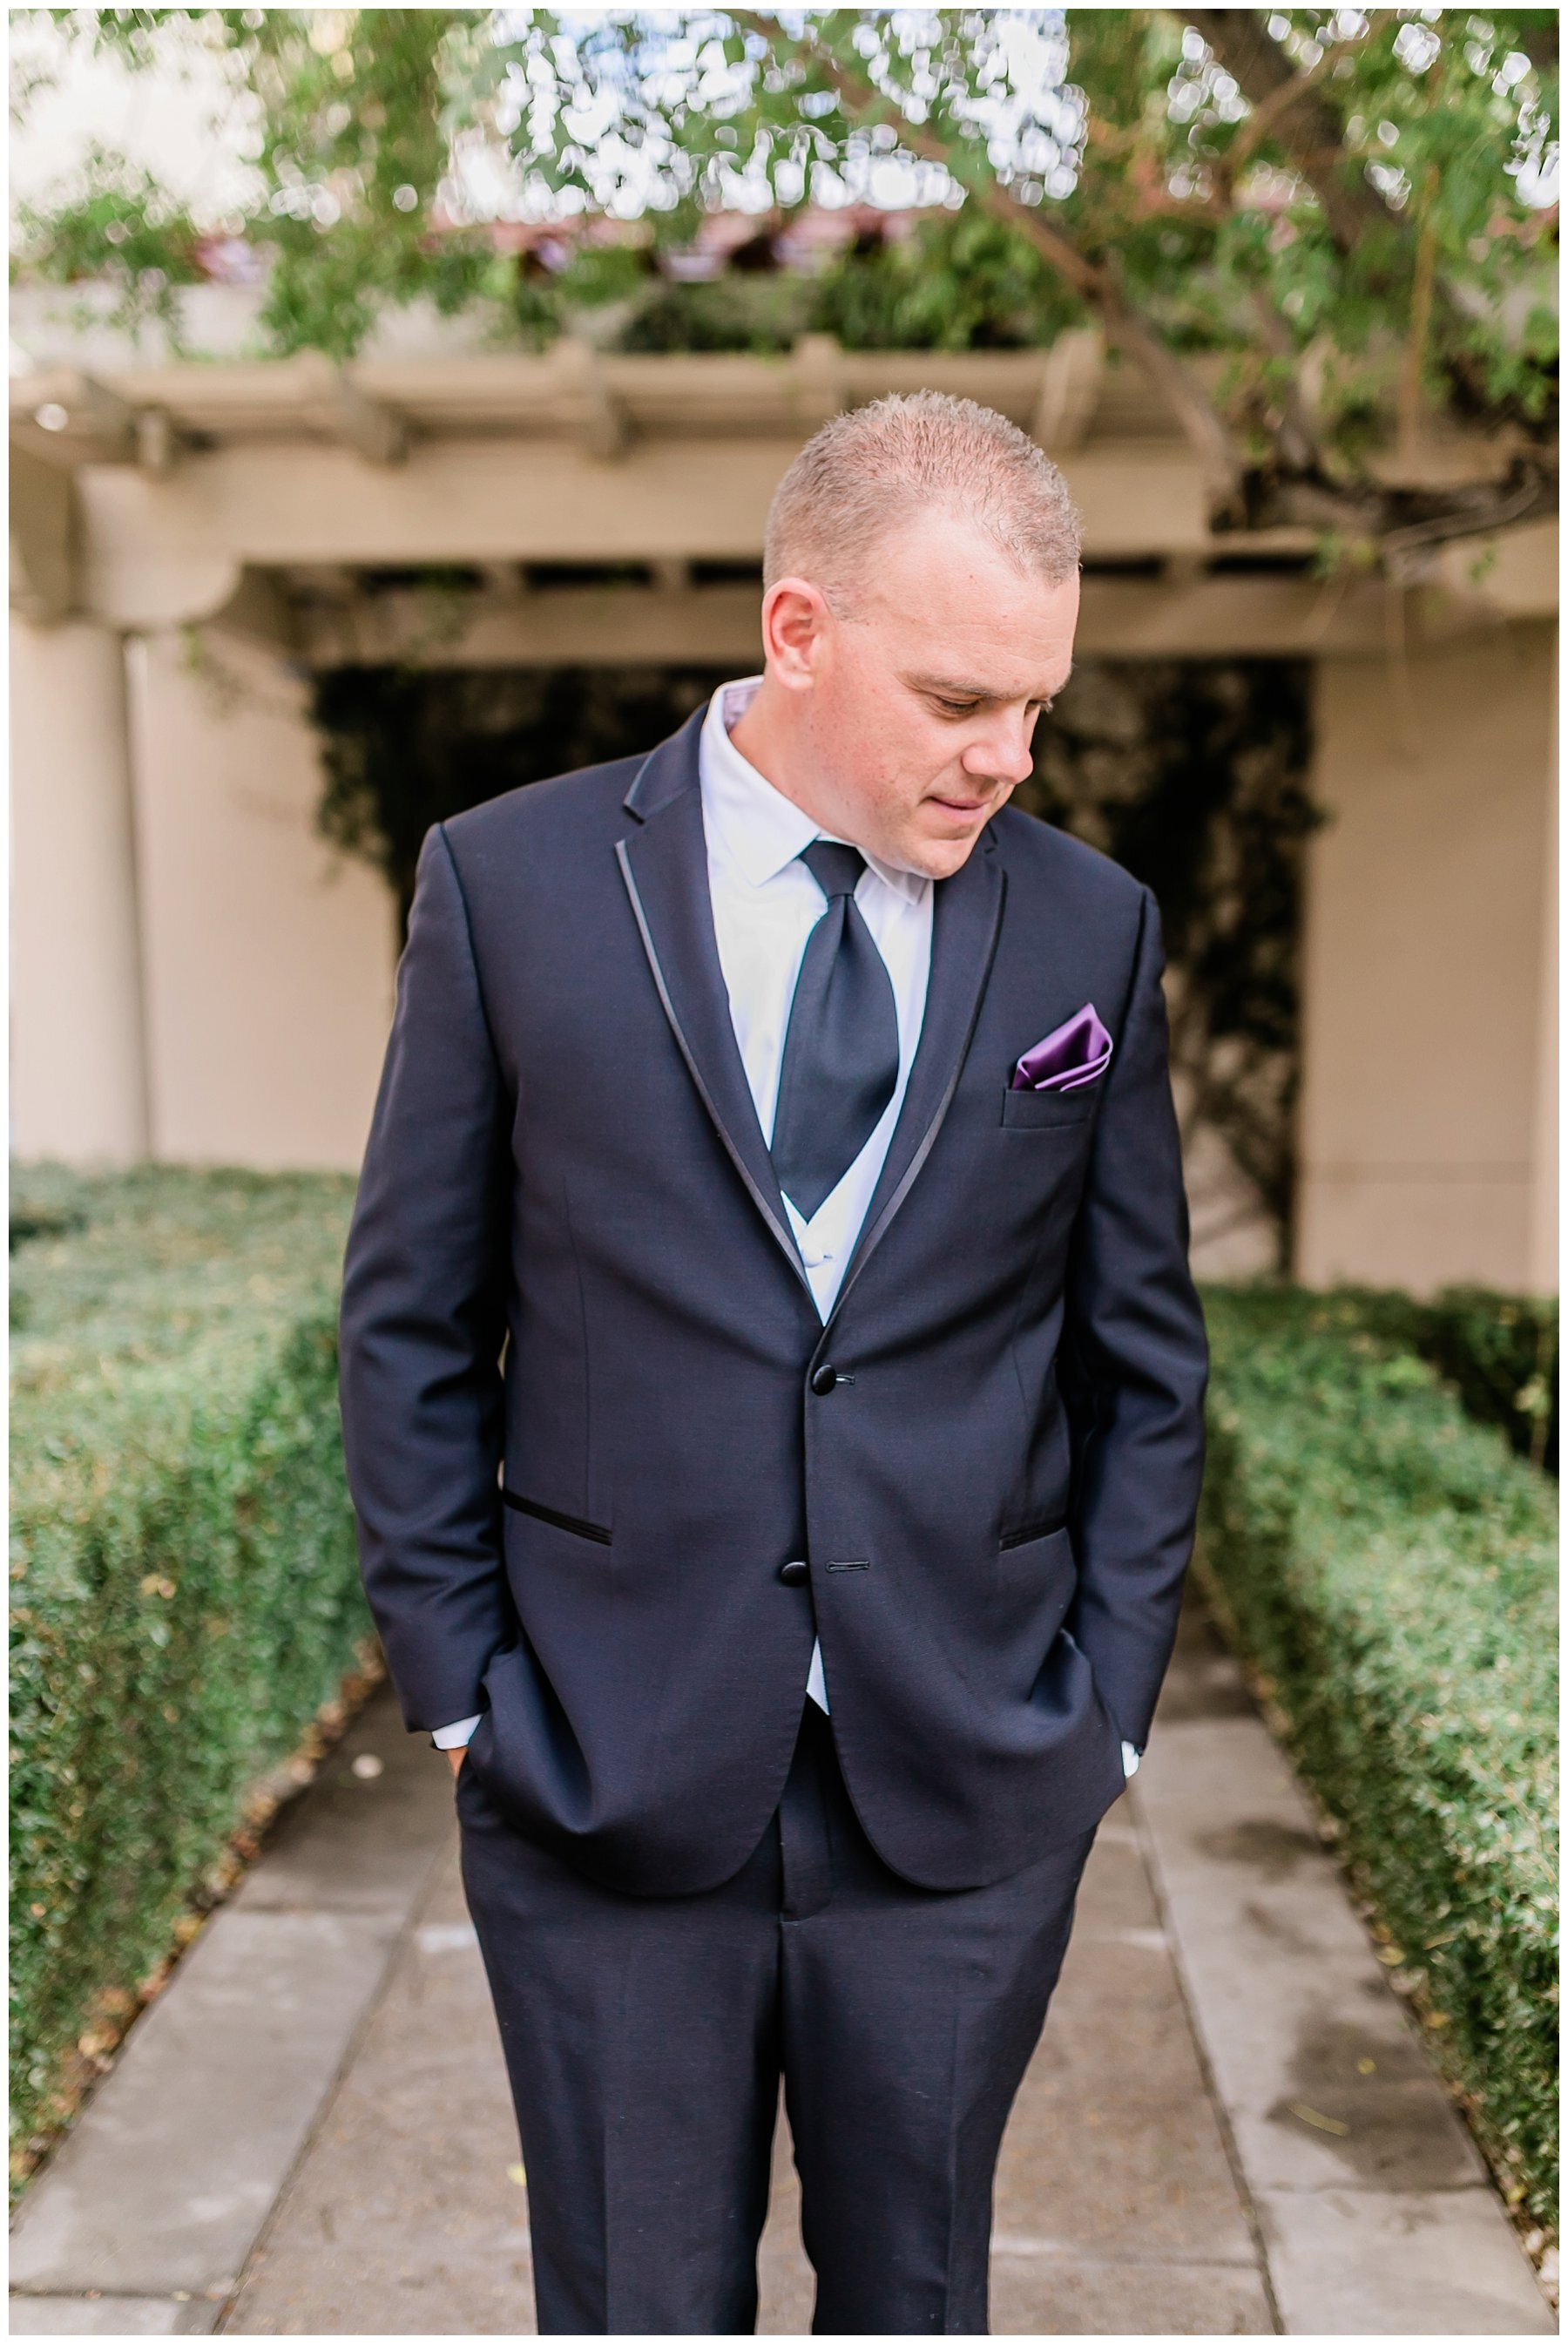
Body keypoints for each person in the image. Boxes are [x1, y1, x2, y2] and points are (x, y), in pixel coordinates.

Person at [339, 390, 1207, 2336]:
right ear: (798, 631)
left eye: (1040, 707)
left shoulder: (1087, 928)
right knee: (636, 2305)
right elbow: (409, 1317)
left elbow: (1142, 1355)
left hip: (969, 1781)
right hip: (597, 1764)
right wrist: (465, 1692)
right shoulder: (512, 887)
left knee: (917, 2300)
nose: (1012, 757)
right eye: (964, 698)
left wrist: (1105, 1712)